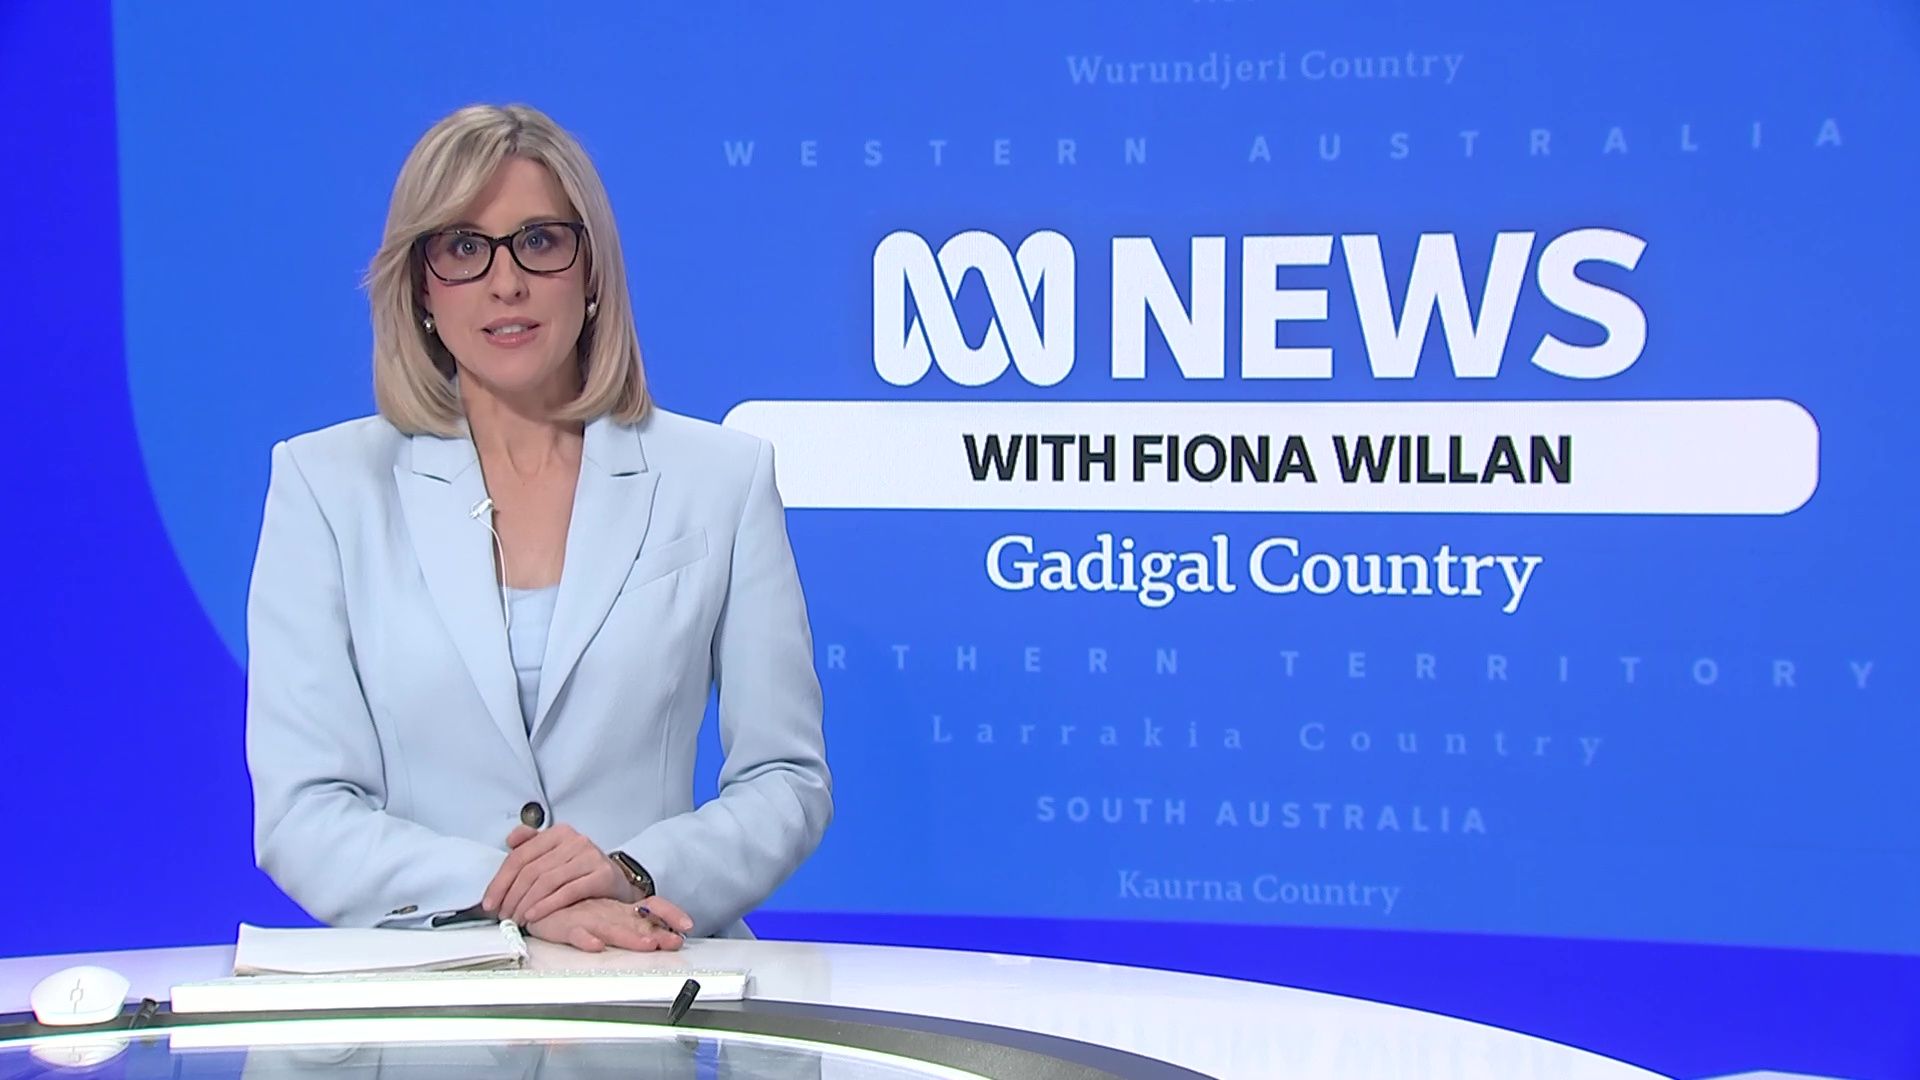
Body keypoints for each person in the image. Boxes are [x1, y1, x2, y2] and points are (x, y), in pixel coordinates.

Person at [244, 103, 831, 951]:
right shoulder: (327, 486)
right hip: (431, 986)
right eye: (463, 248)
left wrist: (631, 872)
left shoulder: (720, 479)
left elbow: (786, 780)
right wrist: (514, 896)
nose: (506, 283)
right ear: (420, 286)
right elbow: (303, 812)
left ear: (591, 272)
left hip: (651, 971)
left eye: (540, 242)